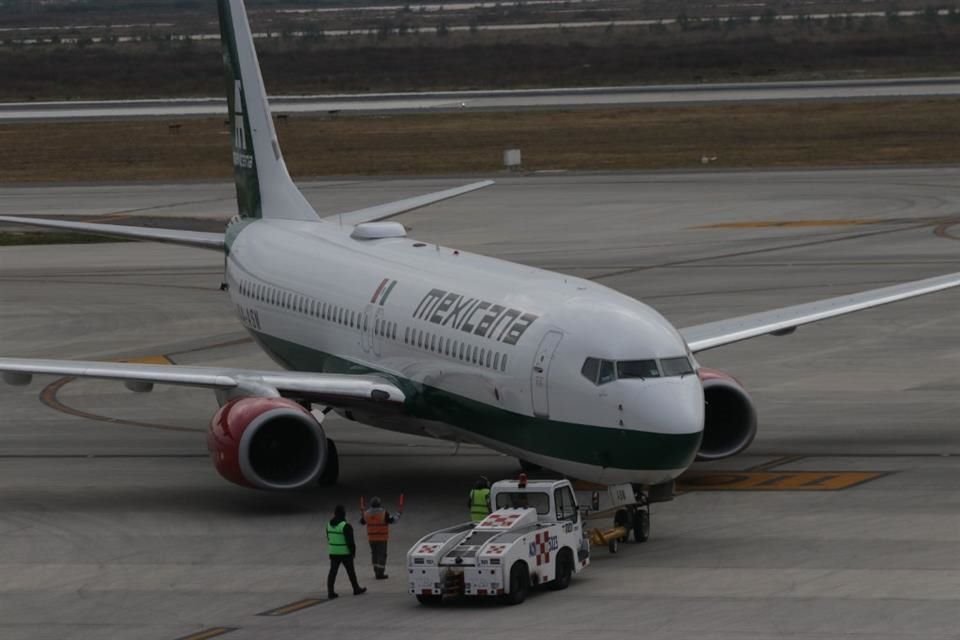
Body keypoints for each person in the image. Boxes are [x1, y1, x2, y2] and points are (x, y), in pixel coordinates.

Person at [326, 504, 366, 599]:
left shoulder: (328, 524)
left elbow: (328, 537)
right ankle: (356, 589)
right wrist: (353, 552)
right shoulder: (345, 526)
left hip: (333, 552)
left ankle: (330, 592)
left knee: (332, 572)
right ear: (343, 514)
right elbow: (350, 542)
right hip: (345, 553)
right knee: (351, 572)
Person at [359, 496, 399, 580]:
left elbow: (361, 522)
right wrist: (398, 515)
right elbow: (393, 520)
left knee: (374, 554)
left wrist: (362, 514)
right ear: (379, 504)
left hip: (371, 538)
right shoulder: (384, 513)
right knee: (382, 555)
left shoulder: (367, 513)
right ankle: (380, 573)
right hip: (381, 538)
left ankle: (376, 571)